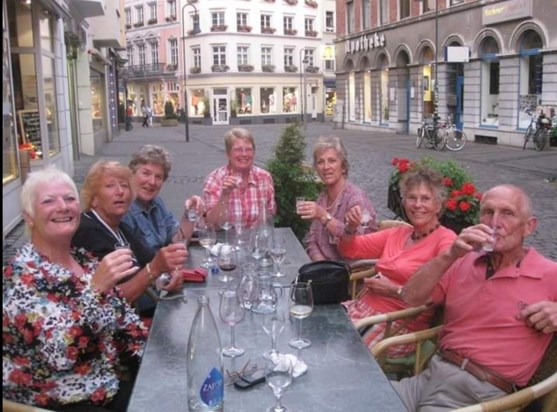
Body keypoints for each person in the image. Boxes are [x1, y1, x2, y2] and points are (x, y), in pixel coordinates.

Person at [394, 184, 557, 411]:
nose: (494, 222)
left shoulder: (549, 273)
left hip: (479, 394)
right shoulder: (462, 260)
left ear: (529, 227)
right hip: (429, 375)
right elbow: (410, 297)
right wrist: (449, 255)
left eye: (507, 213)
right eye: (488, 212)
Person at [3, 166, 148, 410]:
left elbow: (127, 327)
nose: (63, 206)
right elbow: (59, 356)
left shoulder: (85, 260)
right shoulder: (22, 276)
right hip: (60, 399)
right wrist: (95, 290)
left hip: (107, 385)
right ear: (29, 216)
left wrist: (160, 357)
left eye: (70, 198)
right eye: (49, 201)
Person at [337, 166, 457, 356]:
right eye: (412, 198)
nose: (417, 204)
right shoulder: (399, 233)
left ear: (438, 205)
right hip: (361, 310)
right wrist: (350, 228)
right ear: (404, 202)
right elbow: (349, 248)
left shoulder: (445, 240)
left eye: (425, 198)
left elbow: (436, 298)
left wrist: (394, 290)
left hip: (396, 325)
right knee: (316, 332)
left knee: (337, 354)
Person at [72, 161, 188, 315]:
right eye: (110, 186)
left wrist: (170, 274)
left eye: (124, 186)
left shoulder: (120, 227)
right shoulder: (87, 230)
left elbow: (152, 259)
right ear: (94, 199)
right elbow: (110, 301)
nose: (120, 191)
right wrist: (153, 270)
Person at [297, 136, 378, 261]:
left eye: (332, 161)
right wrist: (321, 265)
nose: (326, 167)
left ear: (343, 166)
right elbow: (312, 240)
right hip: (326, 271)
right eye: (320, 162)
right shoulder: (322, 198)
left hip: (353, 273)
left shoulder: (355, 198)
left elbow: (357, 243)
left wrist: (324, 216)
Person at [123, 145, 204, 257]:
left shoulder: (156, 203)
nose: (152, 182)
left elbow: (178, 241)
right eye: (146, 173)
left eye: (158, 177)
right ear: (131, 173)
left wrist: (190, 213)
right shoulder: (123, 210)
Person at [203, 127, 276, 230]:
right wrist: (225, 195)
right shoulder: (214, 179)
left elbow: (269, 217)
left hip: (255, 241)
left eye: (249, 149)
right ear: (228, 154)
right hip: (225, 241)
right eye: (238, 150)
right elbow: (213, 224)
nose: (244, 154)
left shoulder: (264, 178)